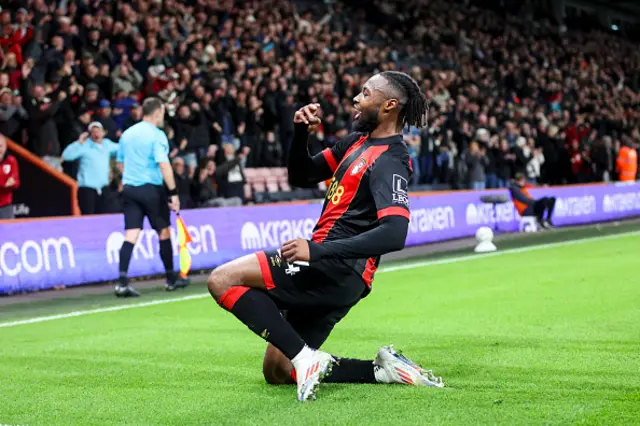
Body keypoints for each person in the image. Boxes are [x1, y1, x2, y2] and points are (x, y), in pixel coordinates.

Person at [206, 71, 444, 402]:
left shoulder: (391, 159)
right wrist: (300, 133)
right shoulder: (356, 142)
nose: (356, 100)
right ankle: (381, 371)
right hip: (338, 273)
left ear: (389, 105)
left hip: (334, 267)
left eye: (365, 93)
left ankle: (307, 359)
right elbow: (302, 174)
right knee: (276, 370)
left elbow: (395, 233)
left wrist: (317, 252)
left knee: (223, 279)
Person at [115, 97, 189, 297]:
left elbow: (119, 164)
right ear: (157, 113)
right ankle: (171, 279)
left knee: (131, 234)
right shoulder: (157, 135)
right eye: (163, 113)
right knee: (163, 232)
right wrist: (173, 193)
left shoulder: (127, 134)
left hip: (130, 188)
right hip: (151, 190)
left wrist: (131, 176)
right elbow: (164, 165)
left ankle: (122, 282)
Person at [61, 122, 119, 215]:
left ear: (103, 133)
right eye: (93, 132)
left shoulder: (107, 144)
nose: (96, 134)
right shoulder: (84, 145)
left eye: (98, 131)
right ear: (90, 134)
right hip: (87, 189)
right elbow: (66, 156)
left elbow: (122, 149)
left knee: (104, 217)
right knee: (88, 218)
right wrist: (78, 142)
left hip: (103, 189)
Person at [0, 135, 20, 219]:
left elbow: (16, 183)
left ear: (5, 147)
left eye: (0, 146)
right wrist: (5, 182)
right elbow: (4, 183)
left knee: (10, 231)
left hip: (5, 206)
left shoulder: (11, 160)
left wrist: (8, 183)